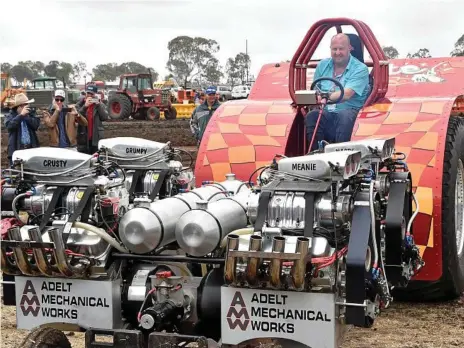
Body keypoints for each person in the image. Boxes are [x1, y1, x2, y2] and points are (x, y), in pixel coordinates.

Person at [306, 33, 370, 152]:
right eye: (334, 49)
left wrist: (324, 97)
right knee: (312, 115)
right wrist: (313, 99)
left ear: (349, 48)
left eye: (341, 49)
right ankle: (314, 155)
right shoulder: (322, 65)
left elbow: (346, 94)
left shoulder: (360, 69)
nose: (337, 52)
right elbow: (315, 90)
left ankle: (341, 158)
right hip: (326, 112)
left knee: (344, 116)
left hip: (351, 112)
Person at [4, 93, 41, 167]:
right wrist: (20, 116)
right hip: (16, 149)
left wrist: (26, 116)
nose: (28, 106)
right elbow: (9, 127)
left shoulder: (31, 114)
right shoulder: (10, 115)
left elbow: (35, 125)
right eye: (26, 104)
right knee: (17, 174)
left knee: (31, 172)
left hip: (31, 148)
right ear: (20, 106)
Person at [75, 85, 109, 154]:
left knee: (96, 160)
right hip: (83, 138)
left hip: (96, 138)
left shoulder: (99, 105)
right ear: (85, 94)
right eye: (88, 93)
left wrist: (98, 105)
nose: (89, 96)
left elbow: (105, 117)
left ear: (95, 94)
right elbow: (76, 118)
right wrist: (85, 107)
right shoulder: (80, 104)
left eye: (92, 94)